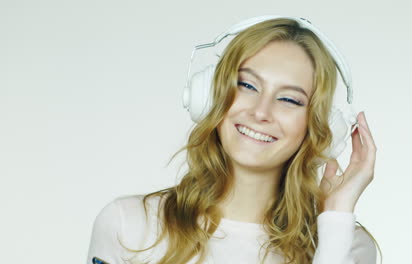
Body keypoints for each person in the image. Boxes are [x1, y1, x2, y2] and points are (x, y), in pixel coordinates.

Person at [87, 16, 380, 264]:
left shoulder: (346, 242)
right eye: (247, 85)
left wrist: (337, 216)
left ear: (318, 125)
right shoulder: (129, 225)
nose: (261, 111)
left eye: (289, 99)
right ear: (212, 95)